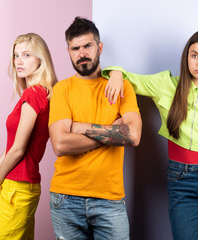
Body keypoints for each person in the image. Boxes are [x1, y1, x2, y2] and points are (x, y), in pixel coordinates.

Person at [102, 30, 198, 240]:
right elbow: (130, 79)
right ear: (186, 57)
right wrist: (116, 72)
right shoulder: (166, 85)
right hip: (182, 178)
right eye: (194, 55)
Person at [48, 17, 142, 240]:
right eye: (75, 48)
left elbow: (134, 135)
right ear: (69, 51)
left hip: (109, 200)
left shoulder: (121, 86)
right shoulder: (62, 89)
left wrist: (78, 128)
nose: (82, 53)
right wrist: (112, 131)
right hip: (65, 198)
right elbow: (60, 144)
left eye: (87, 46)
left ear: (99, 47)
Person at [0, 33, 57, 239]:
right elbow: (12, 146)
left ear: (41, 59)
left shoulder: (34, 94)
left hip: (17, 188)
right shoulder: (40, 93)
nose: (19, 61)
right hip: (19, 186)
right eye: (16, 55)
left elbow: (18, 149)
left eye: (27, 55)